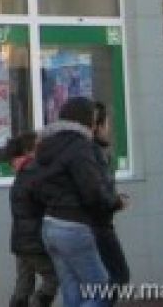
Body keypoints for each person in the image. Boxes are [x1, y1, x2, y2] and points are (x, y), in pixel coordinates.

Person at [34, 96, 123, 307]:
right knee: (102, 292)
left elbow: (37, 187)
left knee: (72, 291)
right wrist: (114, 202)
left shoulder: (47, 146)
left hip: (50, 225)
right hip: (74, 226)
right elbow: (92, 191)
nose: (95, 124)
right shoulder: (80, 146)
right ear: (84, 119)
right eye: (93, 118)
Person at [4, 131, 58, 307]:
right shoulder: (34, 173)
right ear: (30, 151)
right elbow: (47, 200)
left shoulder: (22, 174)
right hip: (33, 241)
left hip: (21, 240)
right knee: (53, 277)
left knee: (24, 283)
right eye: (40, 146)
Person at [91, 102, 130, 300]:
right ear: (96, 127)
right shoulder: (95, 153)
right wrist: (115, 202)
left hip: (95, 223)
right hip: (98, 225)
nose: (109, 130)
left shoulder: (96, 152)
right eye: (106, 124)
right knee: (119, 275)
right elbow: (98, 190)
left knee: (90, 282)